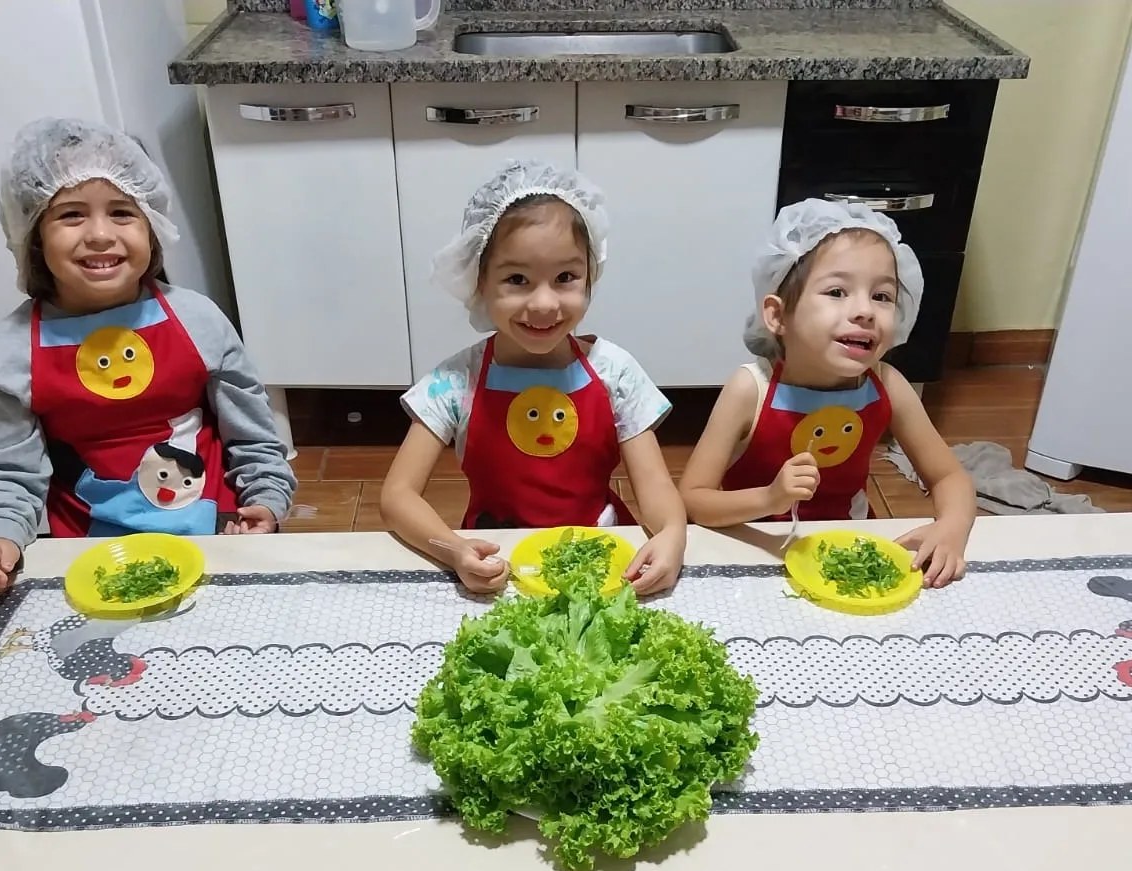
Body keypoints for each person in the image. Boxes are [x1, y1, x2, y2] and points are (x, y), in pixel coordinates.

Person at [0, 117, 296, 602]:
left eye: (121, 212)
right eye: (71, 215)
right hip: (94, 556)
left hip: (221, 535)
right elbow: (2, 469)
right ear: (33, 234)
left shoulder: (198, 319)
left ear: (152, 225)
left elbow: (253, 434)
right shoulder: (9, 352)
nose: (99, 234)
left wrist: (266, 498)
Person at [380, 160, 686, 597]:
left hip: (599, 560)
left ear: (590, 276)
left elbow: (655, 485)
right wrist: (454, 549)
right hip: (497, 562)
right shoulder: (457, 380)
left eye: (565, 278)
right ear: (479, 283)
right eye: (517, 279)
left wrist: (672, 534)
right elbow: (397, 496)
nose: (544, 303)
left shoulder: (614, 371)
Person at [679, 198, 975, 588]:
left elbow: (949, 476)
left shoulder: (886, 384)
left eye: (882, 296)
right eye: (837, 291)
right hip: (754, 552)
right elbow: (693, 499)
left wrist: (952, 526)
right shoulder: (750, 389)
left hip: (847, 553)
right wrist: (769, 498)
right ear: (777, 315)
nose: (865, 311)